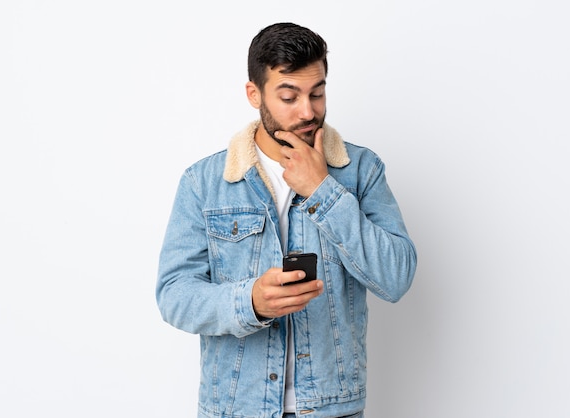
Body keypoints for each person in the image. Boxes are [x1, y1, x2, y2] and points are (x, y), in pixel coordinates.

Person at [156, 22, 417, 418]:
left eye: (317, 93)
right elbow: (174, 294)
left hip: (333, 408)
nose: (308, 111)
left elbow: (396, 278)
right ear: (254, 93)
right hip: (235, 408)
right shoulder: (204, 182)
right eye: (289, 96)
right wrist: (250, 302)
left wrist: (323, 190)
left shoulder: (361, 170)